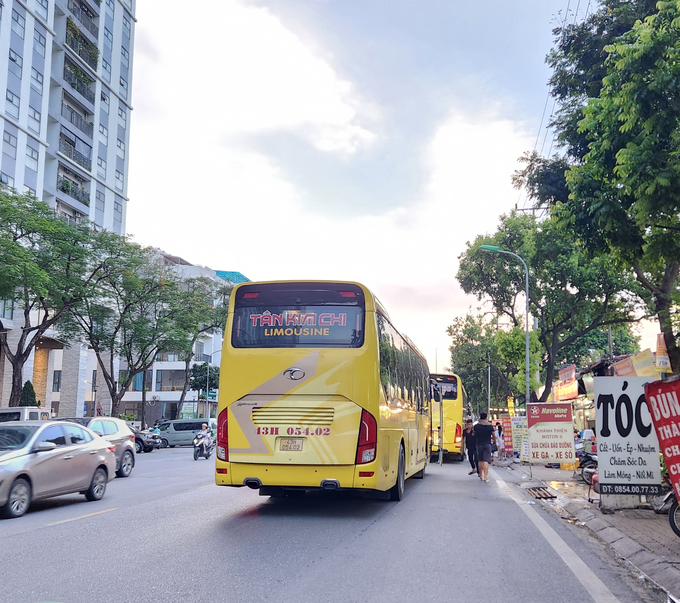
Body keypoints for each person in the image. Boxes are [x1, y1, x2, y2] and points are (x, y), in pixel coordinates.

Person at [474, 413, 494, 482]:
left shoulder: (477, 426)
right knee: (486, 460)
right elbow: (493, 434)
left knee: (480, 460)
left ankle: (481, 476)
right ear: (486, 418)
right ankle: (486, 477)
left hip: (479, 444)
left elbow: (474, 433)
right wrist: (494, 441)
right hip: (487, 444)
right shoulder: (489, 426)